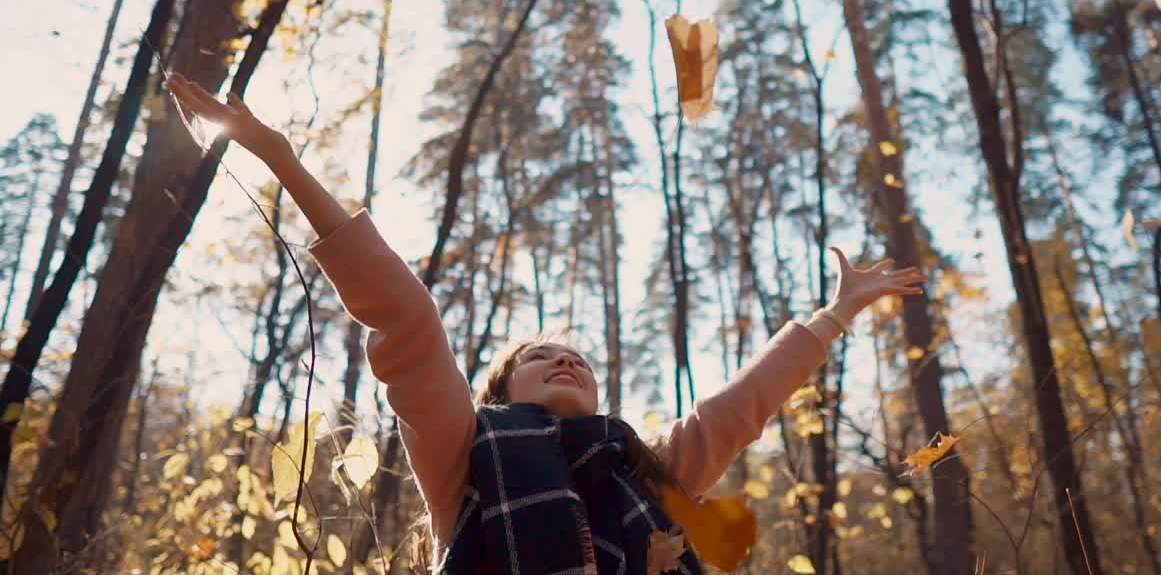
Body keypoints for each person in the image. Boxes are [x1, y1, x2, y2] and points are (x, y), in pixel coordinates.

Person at [166, 72, 928, 574]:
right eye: (541, 357)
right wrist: (280, 158)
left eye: (579, 360)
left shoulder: (650, 470)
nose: (566, 362)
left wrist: (836, 313)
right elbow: (408, 320)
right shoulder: (464, 454)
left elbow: (743, 405)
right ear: (500, 392)